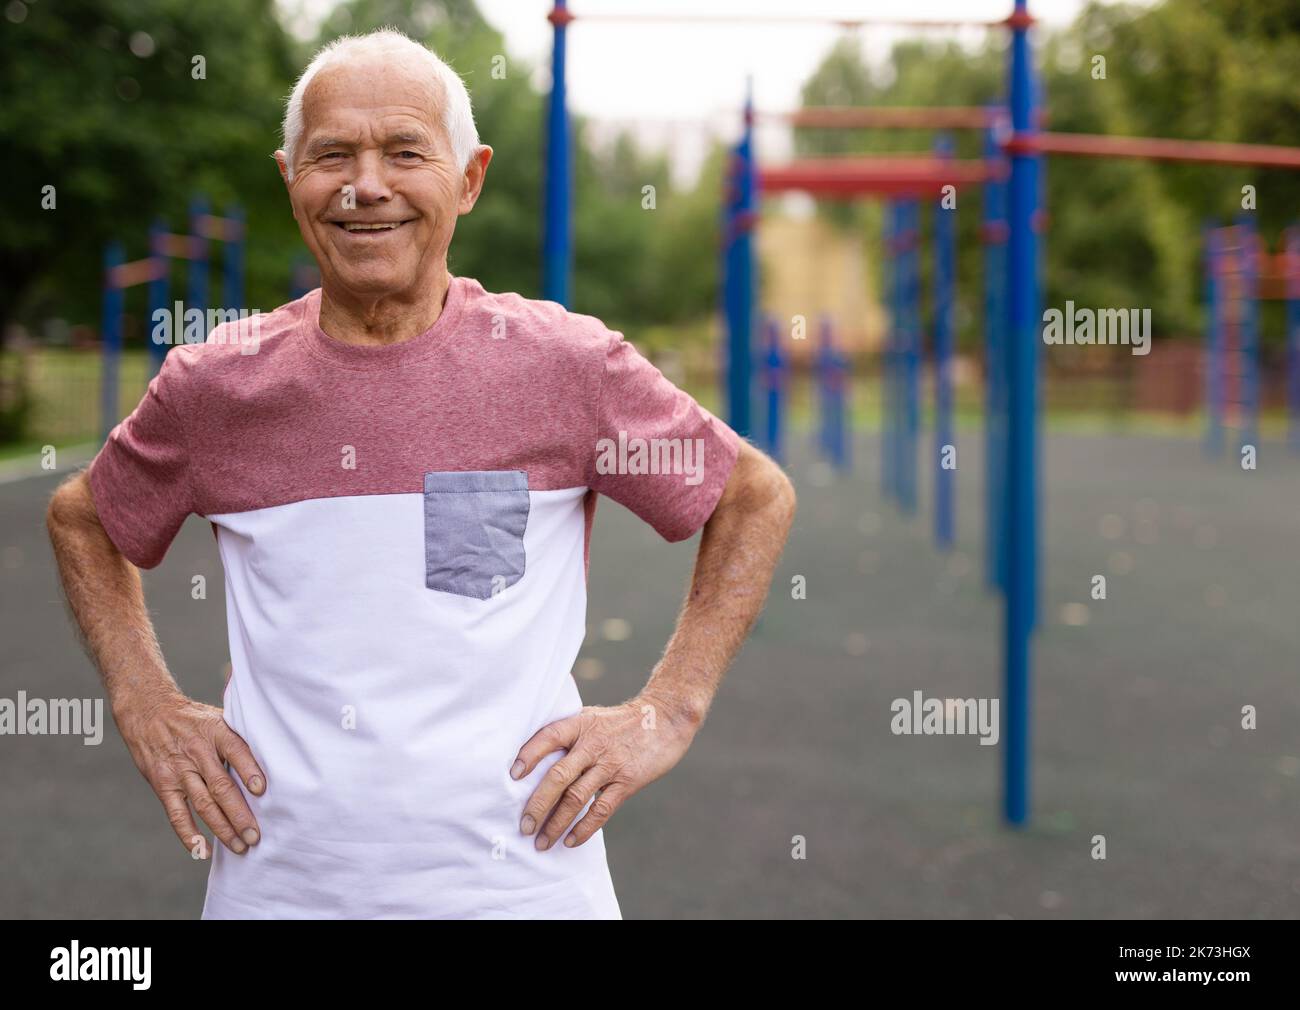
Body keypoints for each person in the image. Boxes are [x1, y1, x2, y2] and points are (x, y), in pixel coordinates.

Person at [46, 29, 796, 919]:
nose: (368, 185)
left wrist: (667, 712)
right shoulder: (219, 385)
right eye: (332, 156)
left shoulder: (563, 364)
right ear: (291, 179)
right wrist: (144, 703)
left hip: (523, 891)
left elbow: (751, 493)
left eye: (405, 152)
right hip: (280, 892)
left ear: (469, 179)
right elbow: (83, 518)